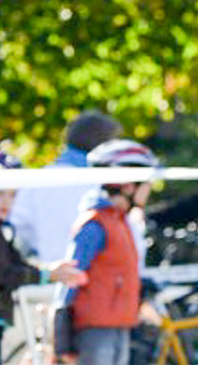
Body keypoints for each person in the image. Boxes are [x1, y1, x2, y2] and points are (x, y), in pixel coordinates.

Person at [0, 149, 87, 365]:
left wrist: (49, 270)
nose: (7, 202)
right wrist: (46, 274)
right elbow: (2, 274)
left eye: (12, 194)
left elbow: (16, 262)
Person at [53, 139, 160, 365]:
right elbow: (71, 276)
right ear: (128, 185)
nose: (149, 190)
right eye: (146, 183)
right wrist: (61, 332)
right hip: (95, 327)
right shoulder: (95, 225)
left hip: (120, 323)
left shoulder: (122, 222)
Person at [9, 111, 122, 262]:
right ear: (104, 145)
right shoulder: (104, 185)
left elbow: (17, 230)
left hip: (46, 276)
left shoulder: (37, 180)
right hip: (91, 277)